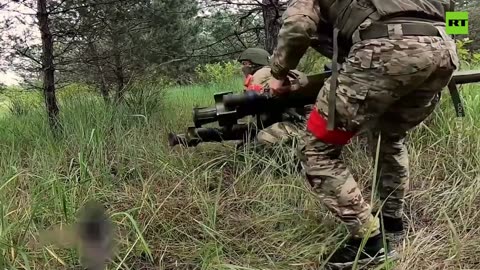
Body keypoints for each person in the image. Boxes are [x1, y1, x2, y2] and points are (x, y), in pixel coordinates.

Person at [267, 0, 459, 268]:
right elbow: (452, 12)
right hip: (444, 51)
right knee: (389, 138)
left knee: (316, 149)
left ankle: (370, 242)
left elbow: (299, 25)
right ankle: (392, 223)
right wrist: (444, 39)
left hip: (385, 48)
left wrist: (278, 73)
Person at [237, 47, 310, 147]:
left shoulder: (260, 74)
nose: (243, 68)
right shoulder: (278, 73)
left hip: (299, 125)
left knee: (261, 139)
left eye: (244, 64)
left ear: (252, 64)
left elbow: (255, 104)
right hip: (307, 119)